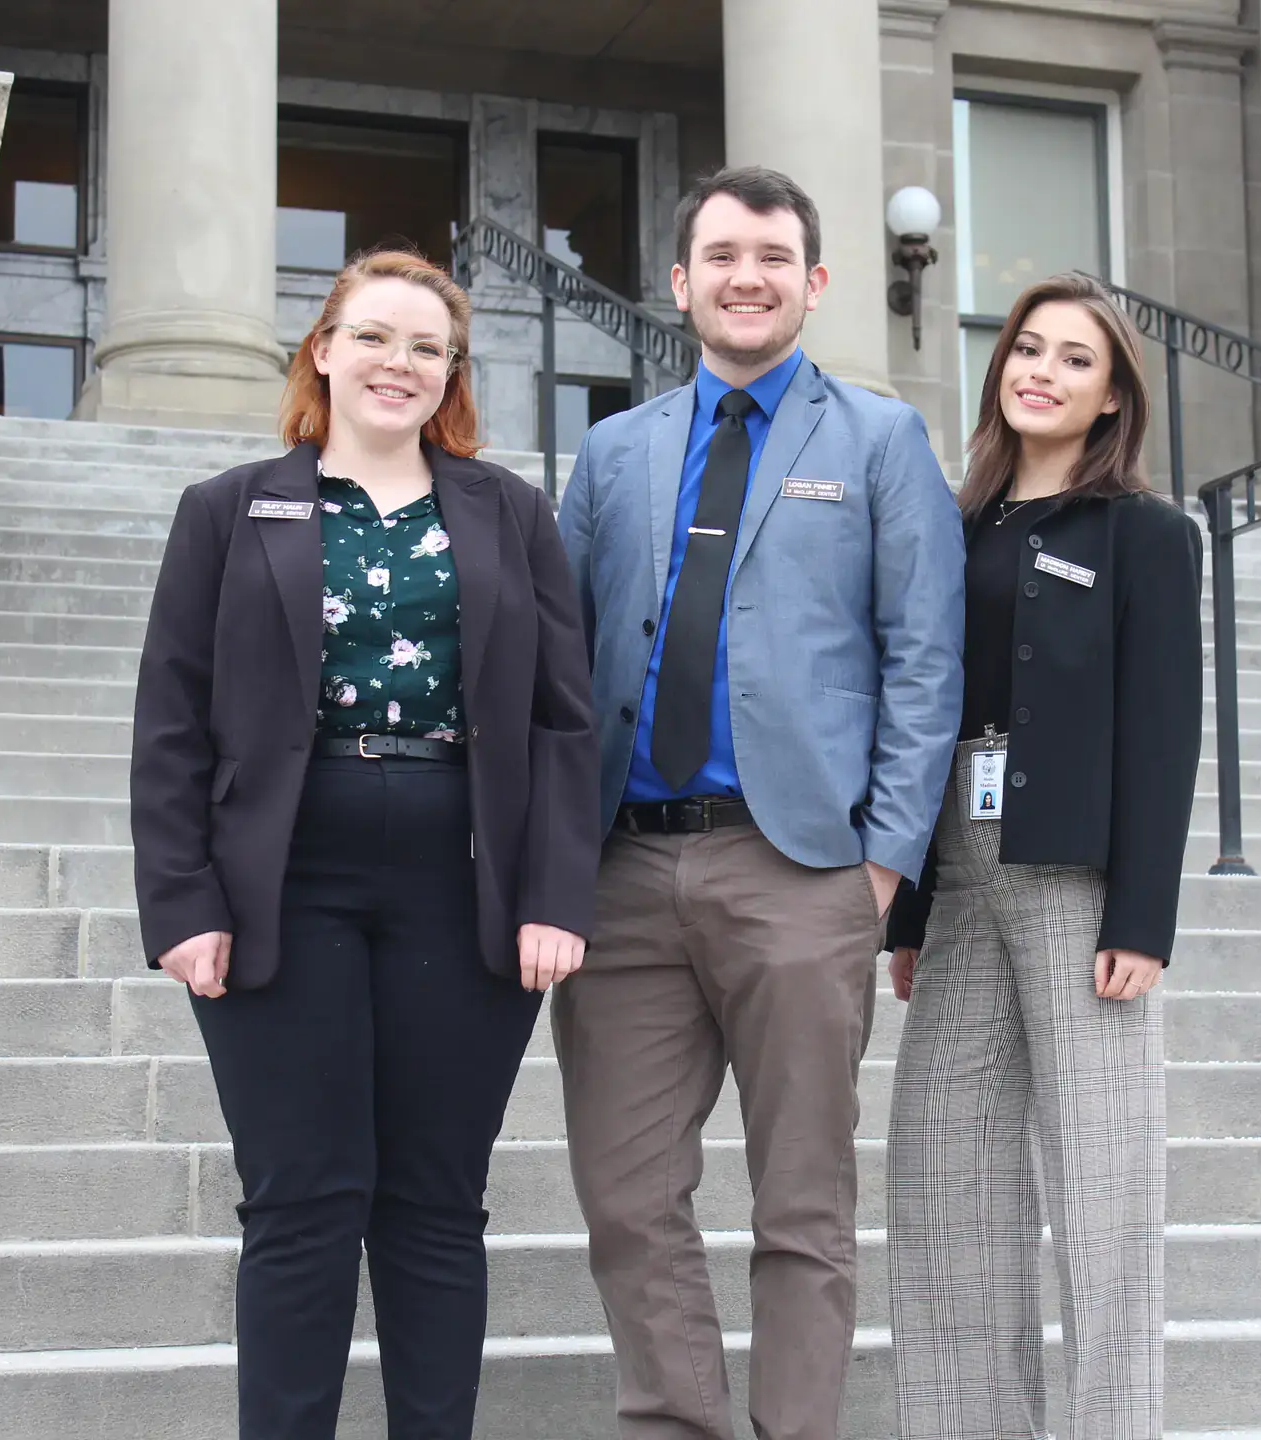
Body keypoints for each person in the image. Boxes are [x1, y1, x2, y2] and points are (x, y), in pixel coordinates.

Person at [129, 248, 600, 1440]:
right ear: (324, 350)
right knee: (301, 1203)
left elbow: (561, 720)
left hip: (465, 875)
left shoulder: (513, 513)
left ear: (451, 377)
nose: (401, 364)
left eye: (428, 348)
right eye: (377, 338)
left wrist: (557, 892)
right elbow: (171, 721)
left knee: (437, 1205)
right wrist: (183, 903)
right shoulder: (230, 510)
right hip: (281, 878)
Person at [554, 166, 965, 1440]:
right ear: (679, 283)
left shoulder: (880, 439)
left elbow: (926, 659)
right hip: (623, 877)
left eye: (774, 257)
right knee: (627, 1201)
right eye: (722, 255)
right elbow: (559, 663)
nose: (748, 277)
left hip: (799, 873)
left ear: (816, 282)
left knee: (803, 1207)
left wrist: (882, 869)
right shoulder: (615, 450)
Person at [883, 272, 1204, 1440]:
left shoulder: (1146, 536)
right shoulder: (953, 525)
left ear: (1113, 396)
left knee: (1105, 1193)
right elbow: (918, 707)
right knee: (941, 1175)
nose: (1042, 371)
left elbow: (1166, 731)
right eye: (1028, 348)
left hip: (1079, 884)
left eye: (1076, 359)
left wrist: (1143, 920)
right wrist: (909, 912)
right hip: (962, 881)